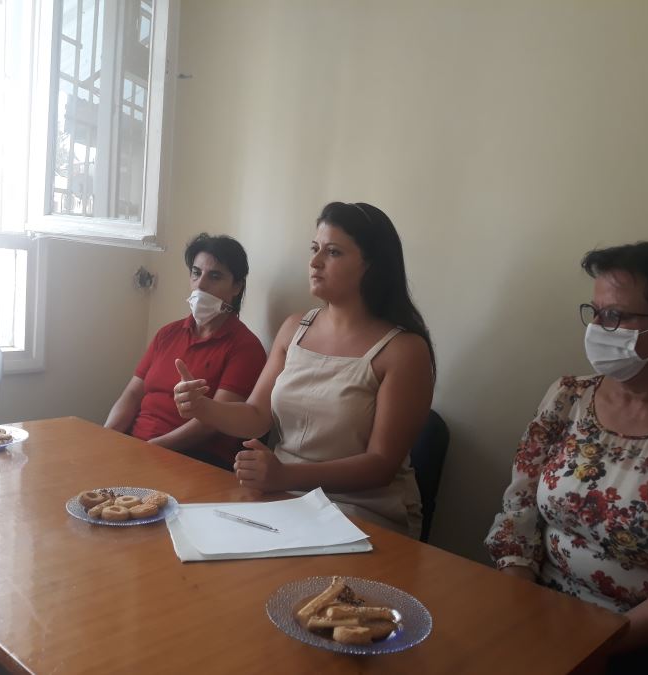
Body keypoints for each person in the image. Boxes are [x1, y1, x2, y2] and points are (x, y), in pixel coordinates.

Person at [485, 242, 648, 669]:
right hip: (538, 610)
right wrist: (521, 608)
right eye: (595, 312)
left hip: (639, 639)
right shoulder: (568, 396)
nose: (598, 328)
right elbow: (518, 512)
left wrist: (587, 648)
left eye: (616, 316)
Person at [173, 202, 435, 538]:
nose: (315, 262)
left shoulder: (403, 350)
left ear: (371, 265)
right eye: (315, 249)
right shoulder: (295, 327)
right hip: (285, 499)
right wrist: (203, 408)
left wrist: (285, 475)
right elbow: (256, 415)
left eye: (333, 252)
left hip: (362, 511)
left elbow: (381, 465)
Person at [105, 233, 267, 469]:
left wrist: (150, 448)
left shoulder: (245, 348)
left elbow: (211, 423)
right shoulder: (167, 334)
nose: (201, 284)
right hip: (137, 447)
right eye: (196, 273)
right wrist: (107, 437)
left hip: (192, 459)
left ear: (237, 286)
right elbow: (132, 394)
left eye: (215, 276)